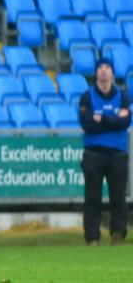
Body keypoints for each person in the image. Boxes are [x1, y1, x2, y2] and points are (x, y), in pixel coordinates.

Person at [79, 57, 130, 246]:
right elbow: (88, 124)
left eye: (107, 67)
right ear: (96, 72)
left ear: (112, 73)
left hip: (117, 152)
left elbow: (125, 122)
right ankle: (92, 236)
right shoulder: (87, 96)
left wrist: (103, 119)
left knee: (118, 195)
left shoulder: (123, 96)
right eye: (100, 67)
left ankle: (118, 232)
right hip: (93, 153)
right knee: (92, 196)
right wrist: (113, 120)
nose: (103, 71)